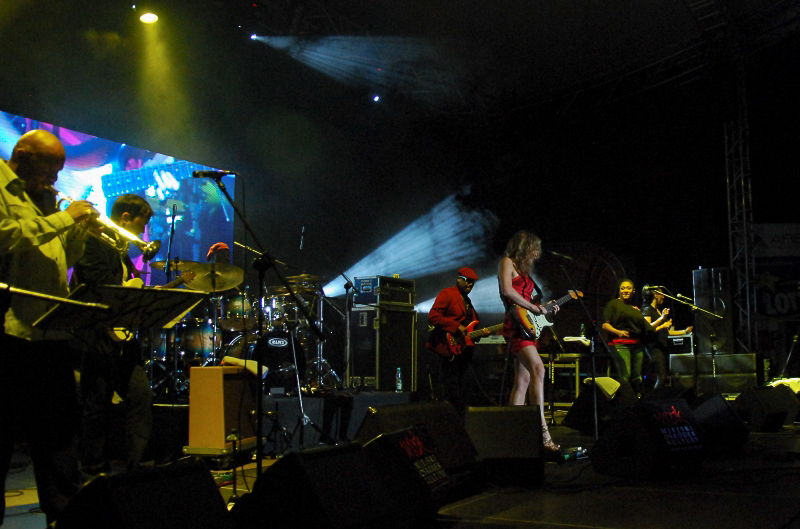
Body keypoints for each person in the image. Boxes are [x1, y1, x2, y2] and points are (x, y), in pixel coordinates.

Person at [1, 130, 96, 525]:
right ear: (23, 156)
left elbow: (62, 260)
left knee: (60, 438)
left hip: (51, 334)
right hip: (12, 334)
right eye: (50, 169)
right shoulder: (3, 189)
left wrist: (77, 233)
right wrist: (63, 218)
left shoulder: (40, 198)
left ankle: (66, 519)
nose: (55, 179)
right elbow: (7, 237)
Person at [71, 194, 155, 476]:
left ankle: (135, 467)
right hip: (96, 336)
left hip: (121, 339)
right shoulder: (94, 242)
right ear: (125, 219)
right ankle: (92, 469)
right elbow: (99, 286)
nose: (141, 233)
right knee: (96, 406)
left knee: (140, 396)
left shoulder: (120, 250)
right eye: (140, 225)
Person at [497, 230, 560, 454]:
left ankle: (513, 434)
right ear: (525, 247)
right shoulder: (507, 262)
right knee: (538, 369)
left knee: (522, 381)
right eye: (534, 249)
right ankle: (542, 433)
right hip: (515, 325)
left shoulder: (525, 272)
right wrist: (533, 307)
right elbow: (507, 290)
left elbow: (531, 302)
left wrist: (544, 308)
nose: (536, 254)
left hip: (527, 325)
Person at [425, 267, 481, 413]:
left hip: (463, 351)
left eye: (472, 282)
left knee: (465, 388)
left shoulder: (467, 301)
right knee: (449, 389)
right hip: (446, 349)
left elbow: (470, 326)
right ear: (459, 279)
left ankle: (460, 416)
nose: (470, 284)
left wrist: (479, 333)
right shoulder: (448, 293)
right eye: (467, 281)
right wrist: (456, 327)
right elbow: (433, 316)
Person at [601, 278, 656, 396]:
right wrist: (618, 332)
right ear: (619, 291)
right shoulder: (613, 304)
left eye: (628, 288)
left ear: (633, 291)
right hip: (620, 344)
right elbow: (605, 325)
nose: (625, 290)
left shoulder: (634, 309)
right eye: (623, 288)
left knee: (637, 376)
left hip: (637, 345)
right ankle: (624, 400)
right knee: (625, 375)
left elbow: (647, 327)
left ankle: (636, 399)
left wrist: (662, 322)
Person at [641, 286, 693, 392]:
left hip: (662, 346)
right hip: (654, 348)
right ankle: (654, 399)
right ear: (655, 295)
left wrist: (685, 331)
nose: (663, 297)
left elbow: (667, 332)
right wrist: (662, 321)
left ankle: (658, 398)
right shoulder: (647, 310)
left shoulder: (657, 310)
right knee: (661, 378)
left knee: (664, 378)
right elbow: (648, 328)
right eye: (661, 294)